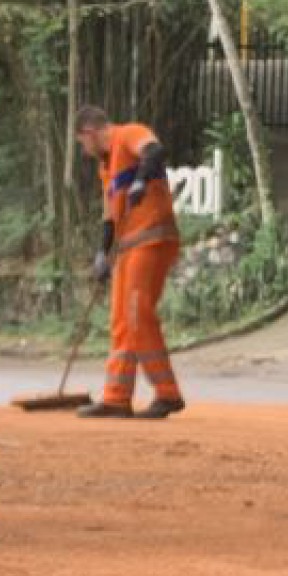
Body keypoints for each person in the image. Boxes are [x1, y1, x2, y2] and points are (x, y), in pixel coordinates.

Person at [74, 106, 184, 419]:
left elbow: (154, 150)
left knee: (137, 317)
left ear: (90, 132)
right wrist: (102, 253)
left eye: (82, 144)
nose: (84, 151)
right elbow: (110, 217)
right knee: (121, 320)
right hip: (127, 247)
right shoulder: (105, 168)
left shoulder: (128, 134)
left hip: (152, 239)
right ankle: (116, 398)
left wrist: (140, 180)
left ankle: (168, 394)